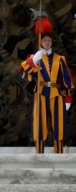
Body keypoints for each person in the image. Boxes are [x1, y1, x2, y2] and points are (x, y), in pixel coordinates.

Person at [19, 17, 73, 154]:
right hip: (41, 94)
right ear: (41, 42)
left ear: (51, 42)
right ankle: (39, 152)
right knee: (40, 123)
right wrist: (32, 61)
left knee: (58, 123)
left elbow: (66, 79)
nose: (47, 42)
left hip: (57, 94)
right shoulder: (36, 58)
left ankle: (59, 152)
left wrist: (67, 98)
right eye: (44, 40)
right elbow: (23, 73)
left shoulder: (60, 59)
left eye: (49, 40)